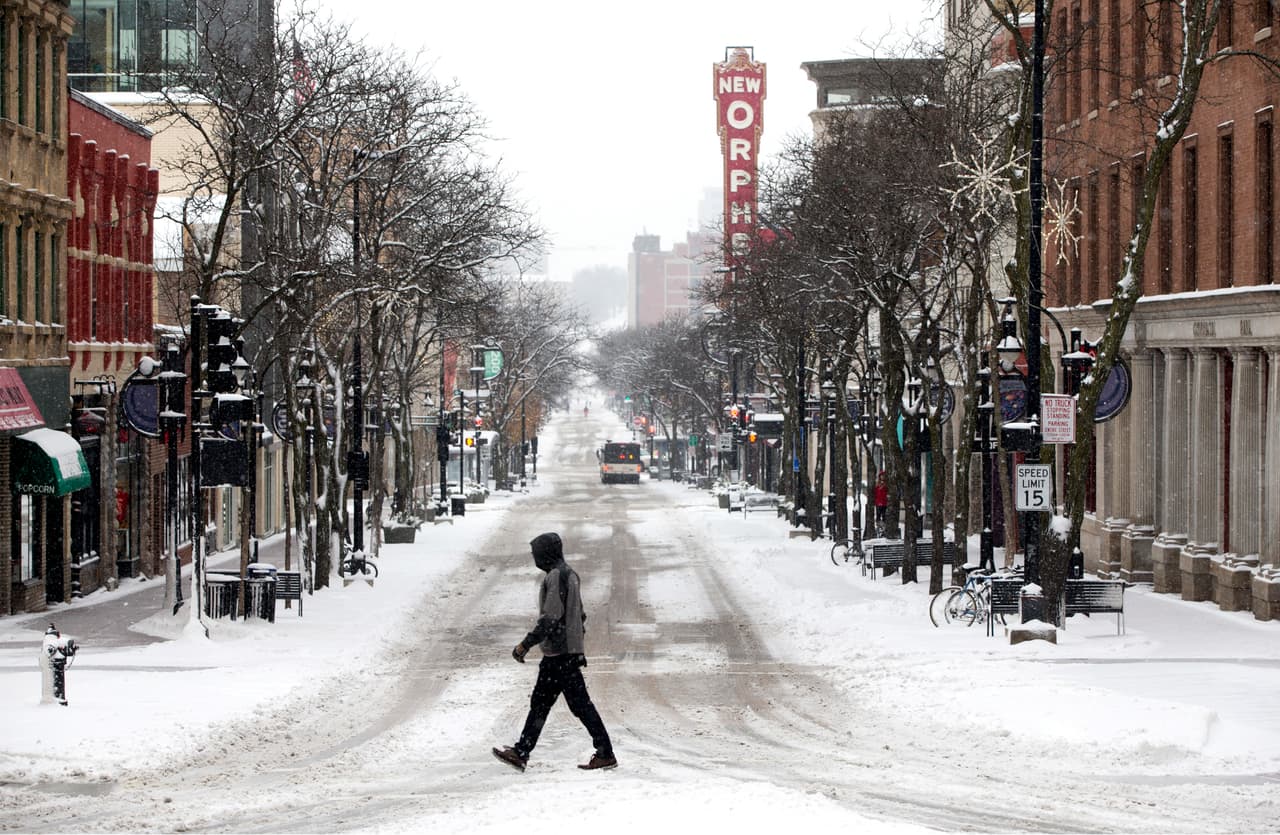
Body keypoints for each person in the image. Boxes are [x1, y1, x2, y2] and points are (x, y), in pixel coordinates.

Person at [493, 532, 616, 772]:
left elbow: (550, 618)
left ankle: (604, 753)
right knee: (552, 704)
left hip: (560, 655)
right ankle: (522, 752)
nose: (534, 558)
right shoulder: (568, 574)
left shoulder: (557, 576)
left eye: (536, 553)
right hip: (564, 654)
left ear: (546, 553)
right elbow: (580, 615)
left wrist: (526, 644)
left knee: (572, 705)